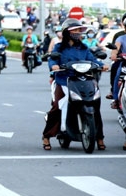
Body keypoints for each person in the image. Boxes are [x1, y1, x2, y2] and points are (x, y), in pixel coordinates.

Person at [43, 18, 109, 151]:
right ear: (67, 32)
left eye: (79, 30)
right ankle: (46, 136)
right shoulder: (59, 47)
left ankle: (99, 137)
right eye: (75, 30)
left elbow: (92, 60)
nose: (78, 33)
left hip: (84, 80)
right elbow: (53, 59)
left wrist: (102, 66)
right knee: (57, 106)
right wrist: (54, 65)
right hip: (64, 81)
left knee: (94, 105)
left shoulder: (84, 48)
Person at [106, 13, 126, 100]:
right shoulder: (120, 37)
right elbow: (116, 48)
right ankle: (115, 96)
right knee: (115, 68)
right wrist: (114, 55)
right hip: (123, 60)